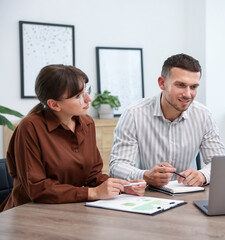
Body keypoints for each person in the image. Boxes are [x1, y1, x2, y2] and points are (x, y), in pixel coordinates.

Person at [0, 65, 146, 212]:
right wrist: (92, 193)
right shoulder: (30, 127)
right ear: (54, 104)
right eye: (78, 96)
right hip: (28, 213)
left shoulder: (86, 123)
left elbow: (93, 177)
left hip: (69, 210)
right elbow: (37, 188)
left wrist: (123, 186)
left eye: (86, 91)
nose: (89, 99)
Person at [110, 53, 225, 187]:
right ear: (162, 83)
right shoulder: (134, 114)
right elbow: (117, 166)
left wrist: (202, 175)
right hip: (147, 195)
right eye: (181, 85)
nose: (188, 94)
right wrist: (145, 175)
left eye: (193, 87)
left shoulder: (204, 115)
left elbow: (220, 163)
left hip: (189, 194)